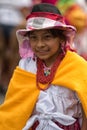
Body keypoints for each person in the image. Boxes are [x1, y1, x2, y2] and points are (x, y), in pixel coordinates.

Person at [0, 3, 87, 130]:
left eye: (47, 37)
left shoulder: (78, 66)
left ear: (61, 39)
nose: (40, 44)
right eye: (34, 38)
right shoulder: (26, 66)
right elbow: (14, 109)